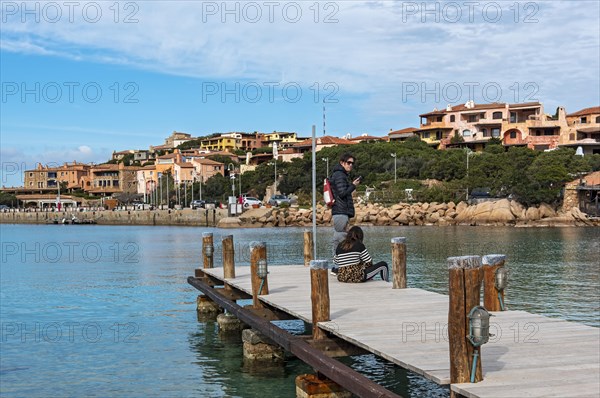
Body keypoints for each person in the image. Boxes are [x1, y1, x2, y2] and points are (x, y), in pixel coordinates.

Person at [330, 153, 361, 271]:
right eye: (349, 163)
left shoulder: (340, 175)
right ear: (342, 163)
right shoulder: (339, 175)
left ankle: (338, 266)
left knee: (339, 237)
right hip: (340, 210)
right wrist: (353, 185)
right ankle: (338, 267)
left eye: (352, 163)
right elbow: (342, 193)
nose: (351, 165)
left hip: (340, 210)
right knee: (340, 237)